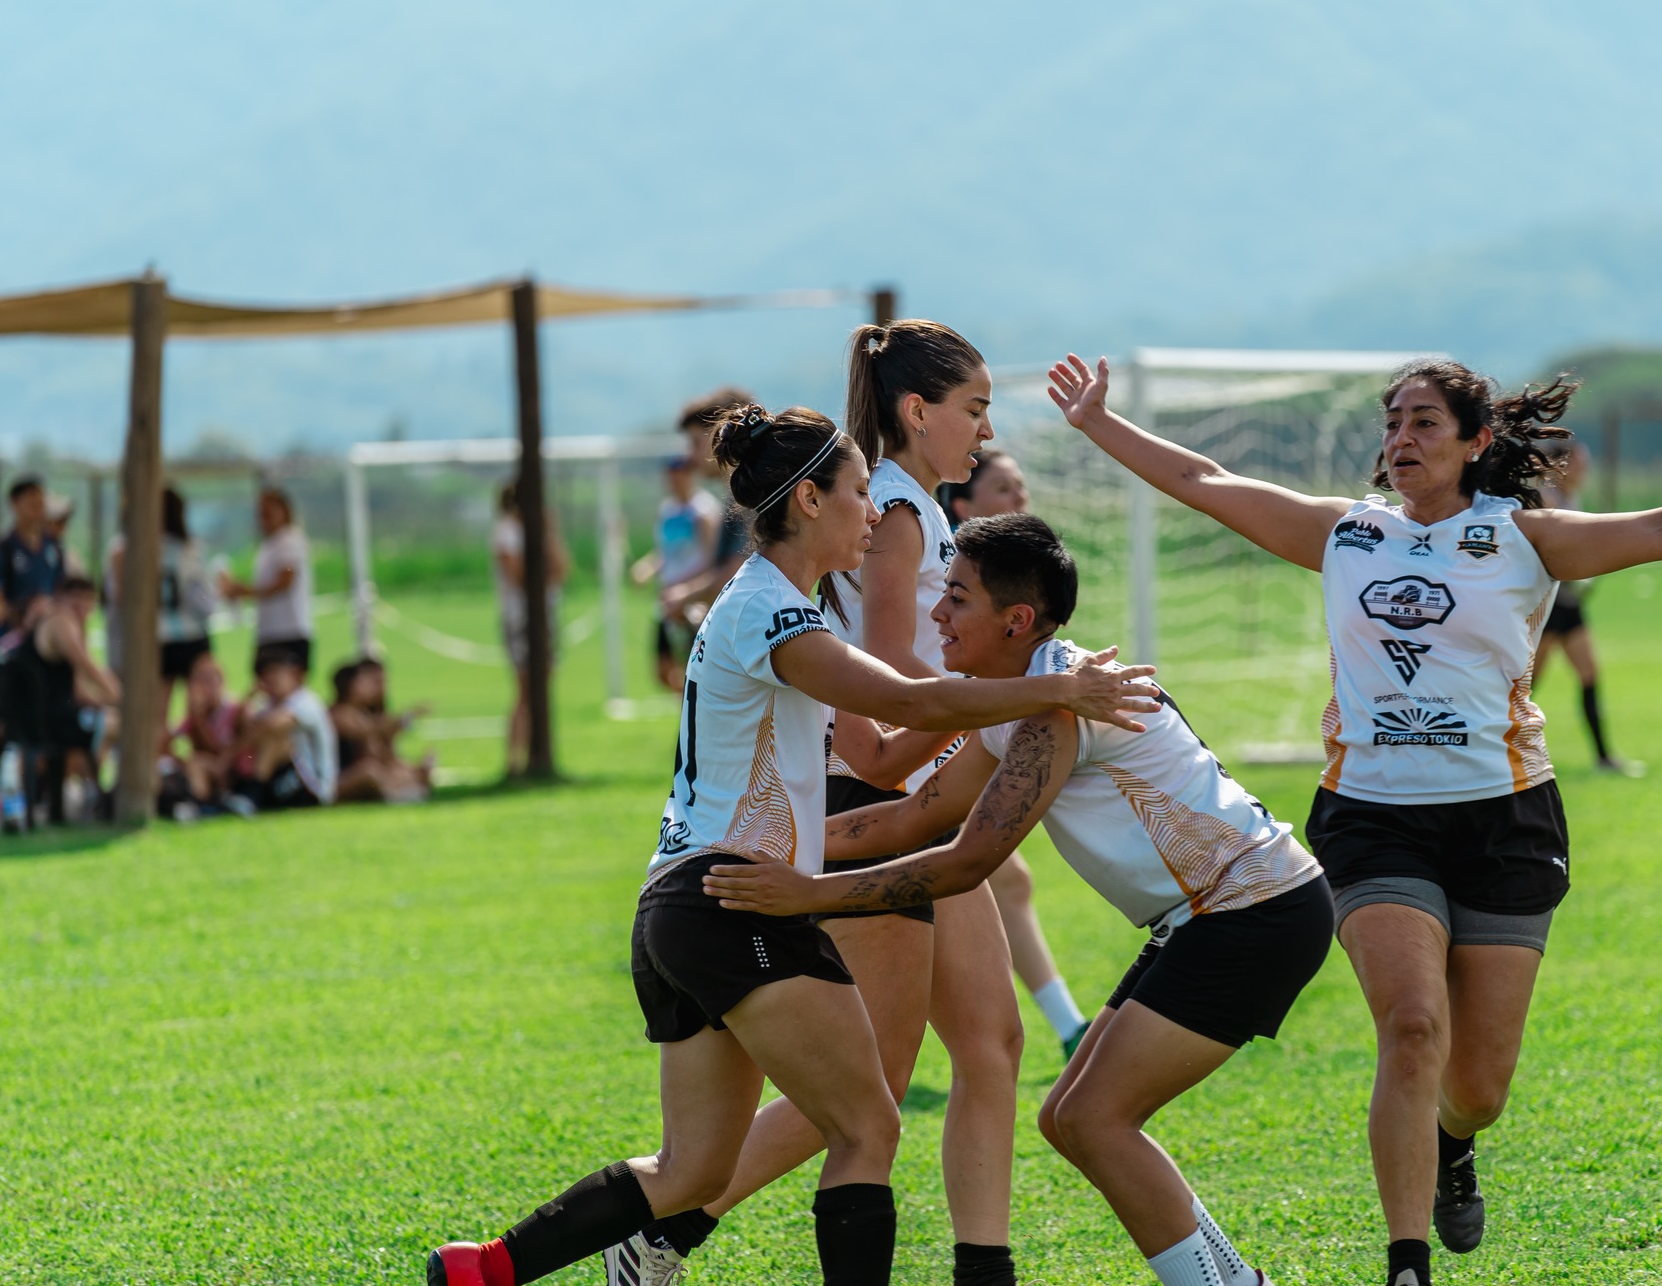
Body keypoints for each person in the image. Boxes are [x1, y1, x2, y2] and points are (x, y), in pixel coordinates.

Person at [1045, 353, 1662, 1286]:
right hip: (1372, 820)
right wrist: (1099, 424)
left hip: (1505, 822)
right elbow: (1206, 480)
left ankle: (1452, 1139)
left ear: (1477, 443)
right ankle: (1407, 1264)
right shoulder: (1348, 535)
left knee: (1477, 1086)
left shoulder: (1523, 537)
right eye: (1392, 421)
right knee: (1411, 1024)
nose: (1400, 438)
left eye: (1425, 421)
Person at [426, 403, 1160, 1286]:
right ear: (809, 501)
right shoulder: (773, 615)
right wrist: (1058, 688)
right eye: (858, 493)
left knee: (691, 1169)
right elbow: (913, 702)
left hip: (680, 905)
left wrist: (1020, 696)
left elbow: (892, 744)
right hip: (733, 900)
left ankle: (485, 1269)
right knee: (868, 1126)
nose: (873, 512)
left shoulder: (776, 608)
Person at [705, 512, 1332, 1286]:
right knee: (1069, 1117)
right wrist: (768, 842)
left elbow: (967, 861)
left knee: (1095, 1119)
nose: (937, 612)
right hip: (1210, 917)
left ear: (1017, 620)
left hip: (1255, 910)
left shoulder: (1052, 708)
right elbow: (911, 815)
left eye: (957, 597)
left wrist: (809, 890)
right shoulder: (1013, 696)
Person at [624, 322, 1026, 1286]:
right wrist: (1010, 695)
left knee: (991, 1040)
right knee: (870, 1095)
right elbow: (885, 685)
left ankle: (986, 1266)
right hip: (878, 795)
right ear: (917, 411)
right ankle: (664, 1232)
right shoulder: (895, 508)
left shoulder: (909, 503)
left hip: (914, 792)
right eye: (974, 409)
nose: (984, 430)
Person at [942, 449, 1093, 1056]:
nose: (1020, 500)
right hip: (938, 734)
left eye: (1022, 488)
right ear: (962, 507)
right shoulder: (946, 577)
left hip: (962, 726)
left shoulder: (1008, 604)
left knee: (1002, 876)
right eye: (1004, 488)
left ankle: (1064, 1025)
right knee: (981, 873)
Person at [1530, 443, 1639, 776]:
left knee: (1589, 674)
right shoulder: (1547, 500)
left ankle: (1604, 757)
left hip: (1569, 605)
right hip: (1548, 610)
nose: (1584, 470)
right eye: (1580, 463)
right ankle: (1496, 747)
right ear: (1561, 466)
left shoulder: (1569, 498)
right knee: (1526, 684)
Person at [0, 577, 119, 818]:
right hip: (45, 722)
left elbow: (79, 691)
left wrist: (107, 700)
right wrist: (122, 696)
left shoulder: (52, 621)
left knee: (105, 719)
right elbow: (88, 667)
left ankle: (74, 793)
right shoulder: (61, 622)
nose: (83, 609)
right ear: (62, 599)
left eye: (88, 603)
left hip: (37, 719)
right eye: (77, 601)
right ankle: (93, 795)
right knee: (113, 724)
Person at [110, 486, 218, 747]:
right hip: (192, 636)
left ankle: (161, 771)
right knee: (200, 714)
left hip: (157, 639)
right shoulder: (189, 549)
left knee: (158, 717)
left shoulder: (130, 550)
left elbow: (121, 598)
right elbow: (205, 601)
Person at [654, 387, 758, 629]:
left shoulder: (746, 497)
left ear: (720, 435)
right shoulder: (739, 494)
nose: (689, 456)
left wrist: (685, 596)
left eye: (694, 443)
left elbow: (736, 572)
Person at [492, 480, 572, 777]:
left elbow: (562, 569)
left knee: (541, 687)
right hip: (520, 619)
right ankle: (514, 761)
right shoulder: (507, 532)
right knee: (526, 690)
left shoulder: (539, 531)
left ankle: (532, 755)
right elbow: (521, 577)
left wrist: (549, 534)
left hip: (546, 617)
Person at [631, 455, 722, 693]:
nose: (675, 480)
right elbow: (666, 554)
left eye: (680, 473)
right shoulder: (667, 510)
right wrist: (647, 568)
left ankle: (694, 713)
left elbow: (712, 558)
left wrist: (684, 585)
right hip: (668, 599)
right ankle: (690, 709)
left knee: (691, 667)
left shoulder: (703, 511)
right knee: (663, 671)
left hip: (692, 599)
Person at [221, 487, 314, 675]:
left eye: (268, 512)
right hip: (271, 630)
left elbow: (286, 580)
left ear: (284, 510)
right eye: (261, 513)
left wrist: (246, 592)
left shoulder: (289, 540)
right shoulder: (270, 543)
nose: (264, 518)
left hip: (287, 631)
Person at [236, 651, 337, 811]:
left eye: (276, 673)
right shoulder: (268, 705)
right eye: (265, 675)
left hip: (312, 787)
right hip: (284, 781)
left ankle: (251, 795)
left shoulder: (306, 701)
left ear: (295, 674)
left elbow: (273, 725)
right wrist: (247, 700)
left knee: (277, 739)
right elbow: (245, 731)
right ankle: (246, 796)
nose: (270, 679)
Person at [0, 474, 65, 653]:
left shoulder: (53, 547)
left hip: (46, 639)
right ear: (14, 503)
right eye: (32, 501)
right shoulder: (2, 551)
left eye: (41, 502)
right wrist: (23, 610)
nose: (38, 506)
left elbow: (61, 590)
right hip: (12, 642)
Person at [329, 657, 434, 804]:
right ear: (351, 686)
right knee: (369, 771)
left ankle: (408, 788)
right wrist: (406, 718)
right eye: (365, 682)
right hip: (333, 782)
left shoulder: (361, 714)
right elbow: (370, 730)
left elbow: (377, 753)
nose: (372, 687)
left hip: (356, 773)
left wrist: (411, 769)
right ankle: (400, 795)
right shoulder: (339, 714)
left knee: (391, 769)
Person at [167, 651, 252, 813]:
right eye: (198, 680)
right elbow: (167, 741)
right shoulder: (195, 715)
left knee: (197, 762)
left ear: (222, 681)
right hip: (210, 772)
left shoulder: (235, 710)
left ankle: (202, 806)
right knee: (194, 763)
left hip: (234, 773)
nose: (204, 687)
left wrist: (198, 719)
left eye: (209, 680)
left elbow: (218, 751)